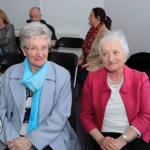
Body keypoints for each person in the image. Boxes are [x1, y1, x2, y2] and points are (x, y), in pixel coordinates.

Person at [0, 22, 81, 150]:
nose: (40, 53)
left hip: (49, 138)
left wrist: (30, 140)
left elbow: (60, 116)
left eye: (44, 47)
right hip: (13, 137)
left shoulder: (62, 75)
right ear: (23, 50)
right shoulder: (9, 74)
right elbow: (1, 112)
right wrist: (13, 141)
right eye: (33, 48)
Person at [80, 30, 150, 150]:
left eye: (116, 52)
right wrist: (100, 139)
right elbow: (85, 115)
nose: (110, 58)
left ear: (125, 54)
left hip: (134, 134)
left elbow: (146, 115)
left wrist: (122, 140)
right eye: (105, 54)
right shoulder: (92, 78)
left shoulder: (141, 78)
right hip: (103, 135)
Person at [77, 7, 112, 85]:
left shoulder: (105, 33)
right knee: (73, 70)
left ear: (97, 18)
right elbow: (86, 48)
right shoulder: (92, 30)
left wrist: (89, 63)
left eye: (91, 16)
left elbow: (104, 55)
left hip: (99, 63)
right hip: (89, 61)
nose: (88, 18)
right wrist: (81, 58)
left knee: (81, 77)